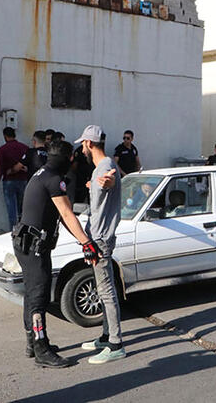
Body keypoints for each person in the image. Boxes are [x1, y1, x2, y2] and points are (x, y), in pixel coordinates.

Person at [13, 140, 101, 368]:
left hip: (27, 242)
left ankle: (34, 342)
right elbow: (66, 213)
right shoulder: (54, 179)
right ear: (67, 159)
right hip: (34, 247)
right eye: (72, 158)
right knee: (38, 296)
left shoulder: (41, 173)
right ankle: (41, 350)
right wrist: (87, 243)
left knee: (32, 293)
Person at [75, 125, 127, 364]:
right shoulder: (102, 168)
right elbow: (102, 187)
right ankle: (106, 336)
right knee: (104, 290)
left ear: (89, 143)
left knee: (106, 292)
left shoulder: (106, 168)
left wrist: (102, 183)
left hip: (101, 240)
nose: (82, 148)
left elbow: (109, 182)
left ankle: (116, 344)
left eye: (83, 144)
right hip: (99, 238)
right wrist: (93, 185)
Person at [0, 127, 29, 230]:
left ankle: (12, 232)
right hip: (23, 180)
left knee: (11, 210)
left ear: (5, 136)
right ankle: (23, 231)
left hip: (9, 181)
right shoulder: (24, 147)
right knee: (22, 209)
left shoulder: (3, 149)